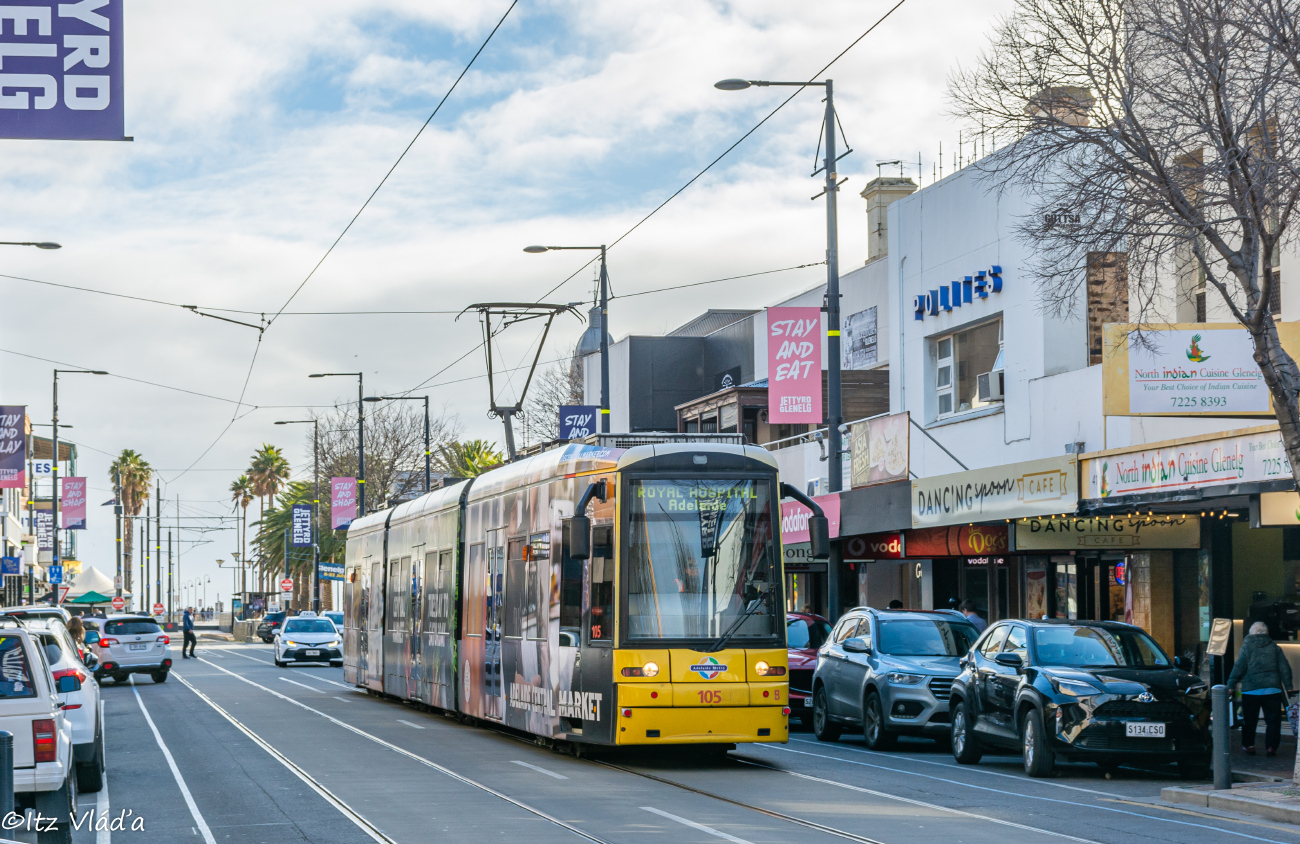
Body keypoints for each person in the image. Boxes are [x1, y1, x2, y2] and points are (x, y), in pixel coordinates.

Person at [1227, 621, 1294, 756]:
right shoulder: (1274, 647)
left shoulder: (1246, 647)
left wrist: (1231, 685)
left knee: (1249, 720)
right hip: (1272, 689)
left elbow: (1239, 667)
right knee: (1273, 720)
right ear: (1266, 633)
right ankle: (1271, 747)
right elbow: (1284, 668)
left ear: (1252, 633)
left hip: (1251, 689)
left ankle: (1249, 745)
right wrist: (1288, 686)